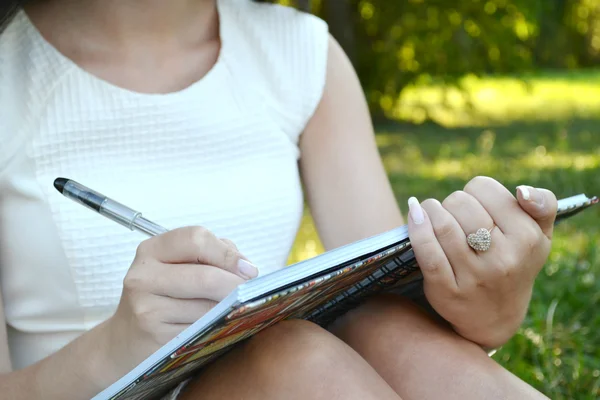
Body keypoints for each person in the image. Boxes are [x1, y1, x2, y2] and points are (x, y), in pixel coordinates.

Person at [0, 0, 557, 399]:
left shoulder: (297, 51)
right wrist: (115, 348)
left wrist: (487, 305)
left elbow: (386, 309)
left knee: (384, 329)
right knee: (292, 353)